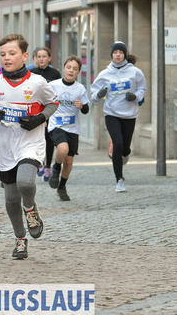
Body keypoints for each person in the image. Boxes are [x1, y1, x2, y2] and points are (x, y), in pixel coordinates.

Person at [0, 34, 58, 260]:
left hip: (31, 143)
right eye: (3, 54)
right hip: (6, 148)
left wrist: (39, 118)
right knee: (11, 199)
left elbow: (53, 103)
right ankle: (20, 239)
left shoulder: (37, 82)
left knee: (25, 182)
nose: (7, 58)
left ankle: (30, 209)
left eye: (12, 53)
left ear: (24, 56)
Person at [90, 41, 146, 193]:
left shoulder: (135, 72)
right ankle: (119, 180)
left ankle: (124, 154)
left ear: (125, 54)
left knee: (125, 148)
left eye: (121, 52)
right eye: (115, 52)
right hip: (112, 114)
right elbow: (93, 95)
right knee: (118, 143)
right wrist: (99, 94)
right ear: (112, 55)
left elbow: (142, 88)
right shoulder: (105, 74)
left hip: (129, 114)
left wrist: (135, 96)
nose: (118, 55)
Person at [47, 56, 90, 201]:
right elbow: (43, 101)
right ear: (64, 68)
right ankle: (55, 168)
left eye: (75, 69)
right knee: (63, 149)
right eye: (69, 67)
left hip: (72, 128)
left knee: (69, 162)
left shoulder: (80, 88)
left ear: (78, 72)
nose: (71, 71)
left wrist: (81, 106)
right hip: (56, 125)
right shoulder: (53, 85)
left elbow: (86, 109)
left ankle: (62, 187)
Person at [30, 47, 62, 183]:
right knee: (37, 138)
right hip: (36, 110)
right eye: (39, 56)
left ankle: (48, 165)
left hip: (50, 110)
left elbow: (59, 92)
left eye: (44, 56)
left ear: (49, 58)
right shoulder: (31, 73)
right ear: (35, 58)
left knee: (48, 139)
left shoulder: (55, 74)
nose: (41, 59)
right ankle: (40, 163)